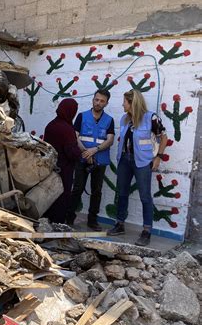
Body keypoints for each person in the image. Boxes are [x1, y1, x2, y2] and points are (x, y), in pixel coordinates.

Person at [107, 89, 168, 246]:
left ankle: (146, 231)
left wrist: (158, 157)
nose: (122, 104)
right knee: (122, 193)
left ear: (132, 102)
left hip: (142, 162)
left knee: (145, 196)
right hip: (125, 160)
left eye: (125, 102)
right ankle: (119, 224)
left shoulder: (150, 117)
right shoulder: (125, 119)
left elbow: (164, 137)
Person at [66, 89, 115, 231]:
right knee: (77, 189)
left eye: (102, 101)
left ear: (106, 103)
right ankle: (69, 218)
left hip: (100, 160)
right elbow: (75, 136)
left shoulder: (109, 120)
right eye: (96, 99)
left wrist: (95, 150)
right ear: (93, 99)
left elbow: (110, 140)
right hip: (82, 159)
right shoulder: (82, 116)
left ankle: (92, 220)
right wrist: (86, 153)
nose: (98, 103)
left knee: (97, 191)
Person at [44, 98, 82, 224]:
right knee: (62, 196)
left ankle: (47, 220)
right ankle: (57, 224)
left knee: (50, 194)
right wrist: (81, 154)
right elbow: (71, 152)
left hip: (49, 168)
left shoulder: (50, 125)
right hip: (64, 169)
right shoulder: (67, 129)